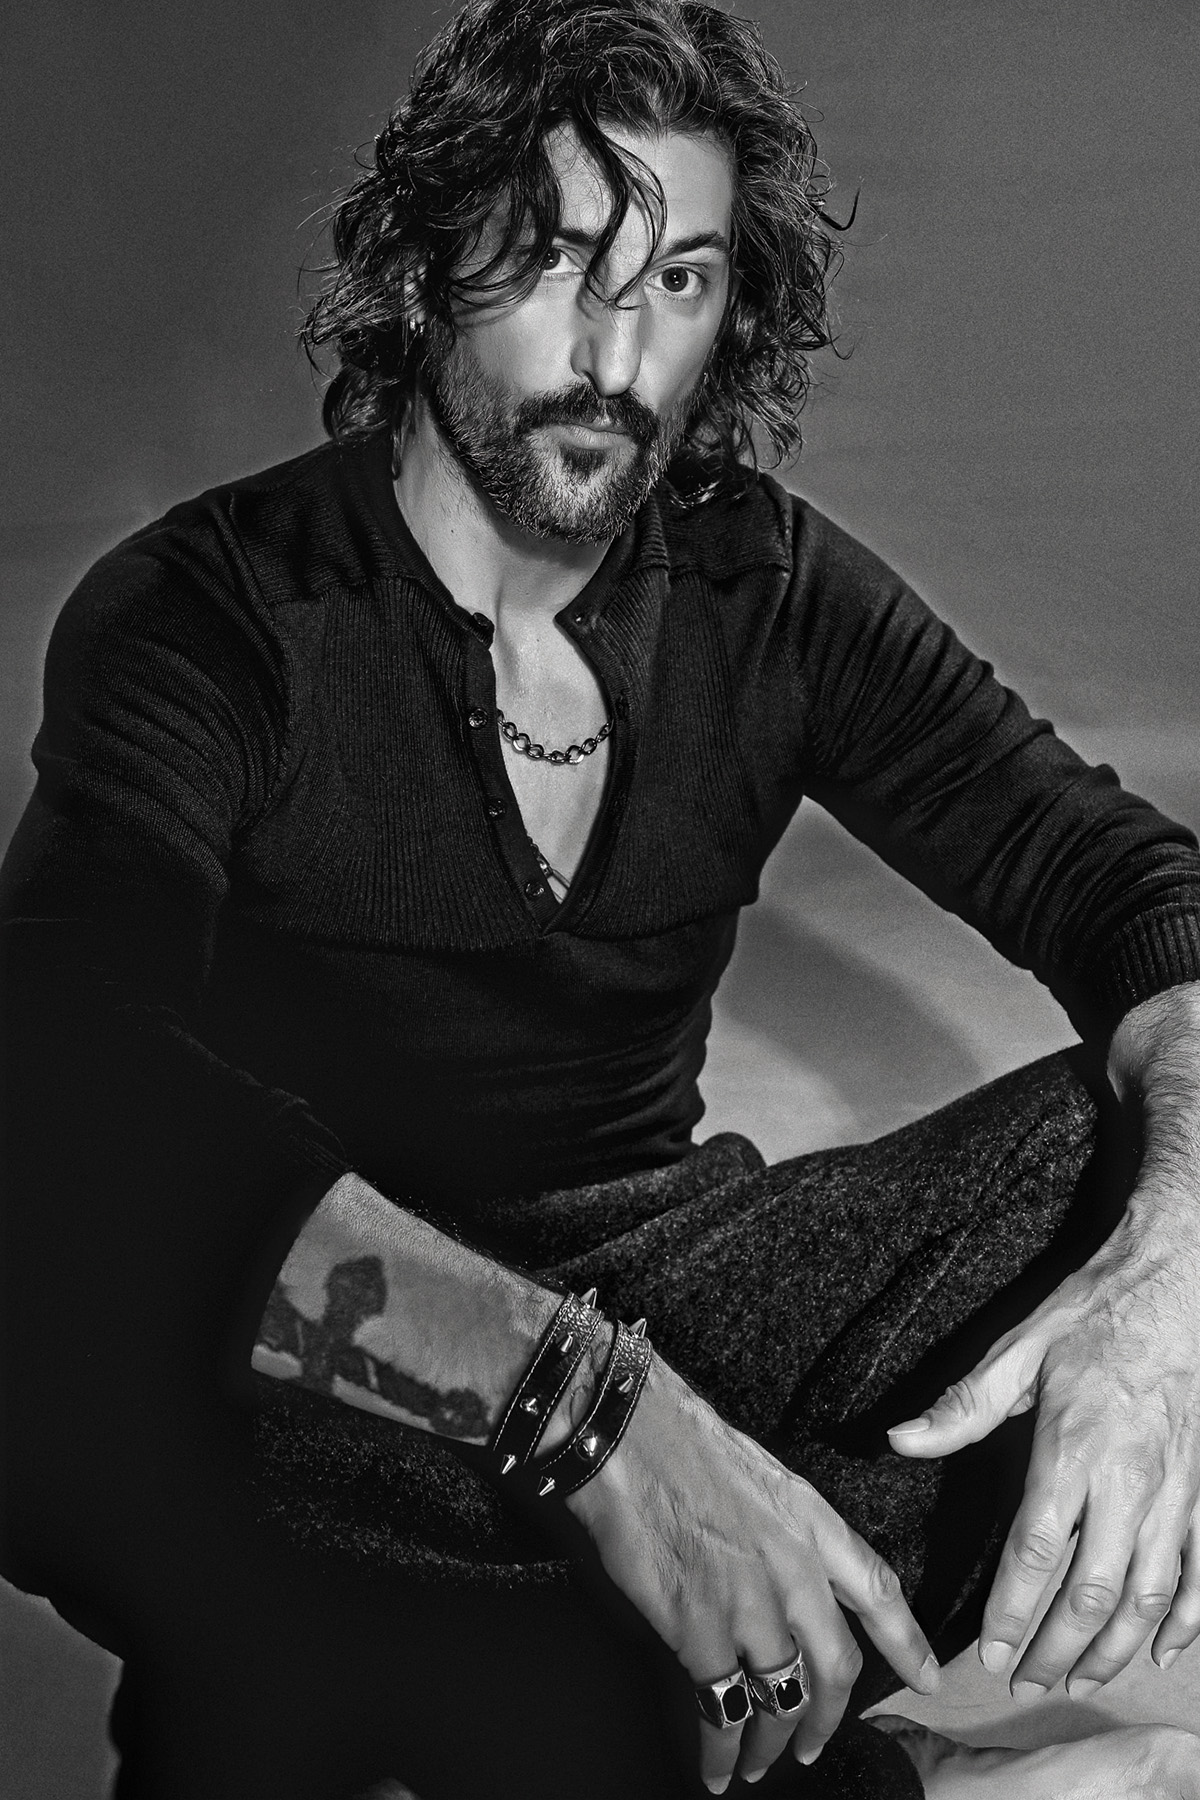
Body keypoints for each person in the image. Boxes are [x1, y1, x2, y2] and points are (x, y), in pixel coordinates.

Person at [2, 0, 1200, 1795]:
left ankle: (575, 1661)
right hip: (307, 1358)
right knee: (95, 1355)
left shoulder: (761, 589)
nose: (618, 359)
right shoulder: (217, 614)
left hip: (671, 1297)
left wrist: (1169, 1274)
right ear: (430, 269)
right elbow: (61, 1063)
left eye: (681, 282)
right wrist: (597, 1424)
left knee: (1144, 1137)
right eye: (560, 262)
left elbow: (1129, 883)